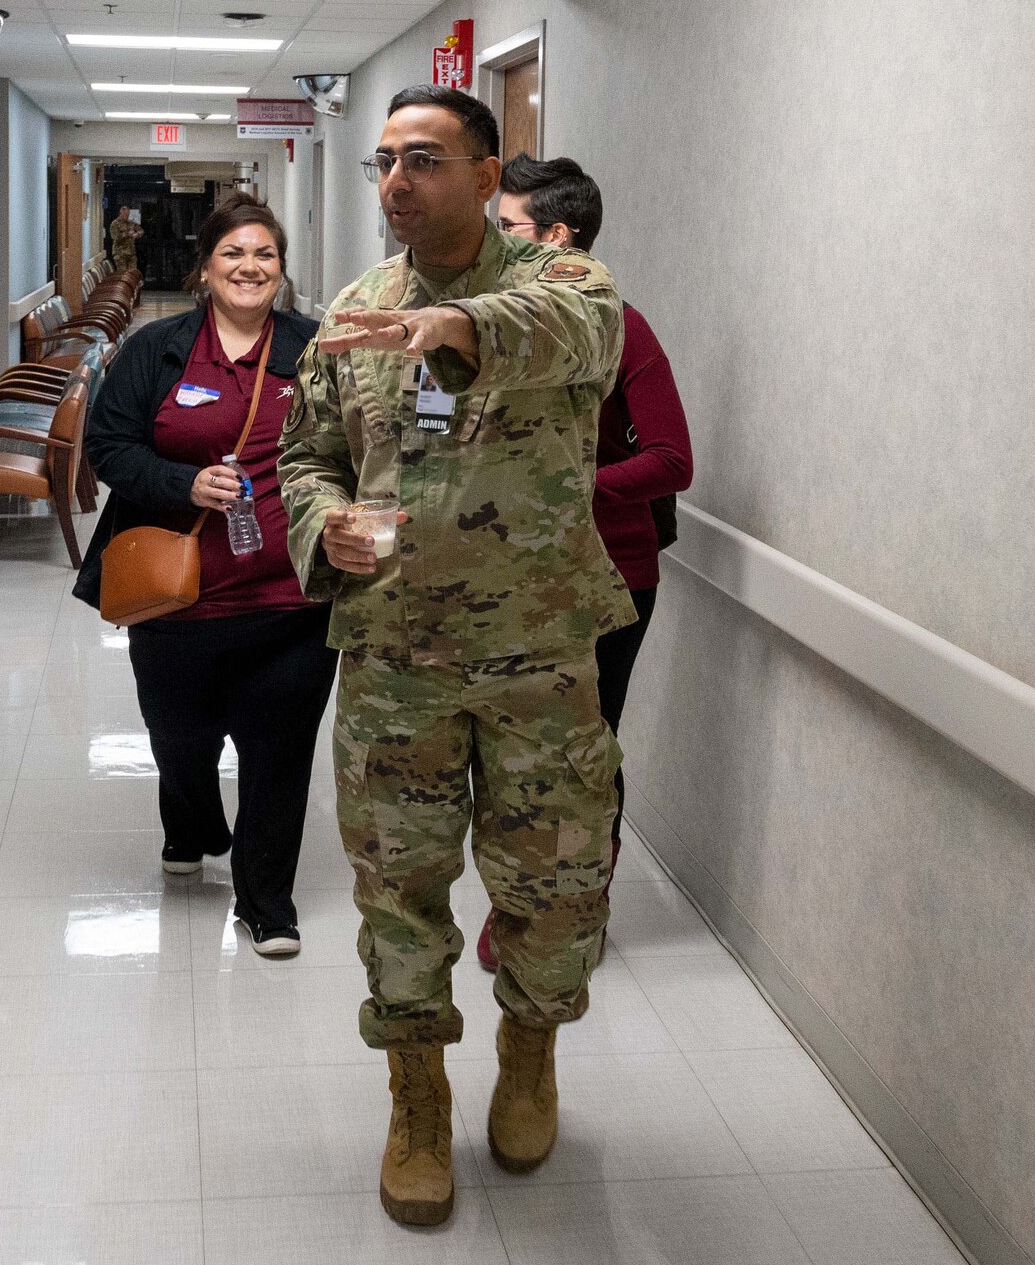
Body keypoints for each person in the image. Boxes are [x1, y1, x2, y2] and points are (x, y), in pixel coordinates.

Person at [277, 86, 633, 1226]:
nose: (395, 181)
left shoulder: (560, 286)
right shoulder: (351, 311)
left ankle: (528, 1054)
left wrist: (462, 328)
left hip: (537, 659)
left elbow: (580, 342)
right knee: (397, 892)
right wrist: (317, 522)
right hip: (392, 662)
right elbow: (305, 454)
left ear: (488, 177)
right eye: (383, 160)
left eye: (423, 159)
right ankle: (416, 1096)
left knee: (555, 886)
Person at [76, 193, 333, 957]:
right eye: (234, 254)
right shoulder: (158, 351)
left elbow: (357, 444)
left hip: (290, 597)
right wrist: (181, 484)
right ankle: (189, 822)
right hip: (177, 596)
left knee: (279, 754)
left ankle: (267, 903)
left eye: (265, 255)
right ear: (205, 268)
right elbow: (108, 446)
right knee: (179, 740)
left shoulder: (314, 351)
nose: (251, 268)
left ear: (281, 269)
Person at [475, 154, 694, 972]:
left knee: (584, 751)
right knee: (510, 751)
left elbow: (673, 461)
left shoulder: (622, 330)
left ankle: (581, 909)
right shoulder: (492, 321)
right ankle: (516, 901)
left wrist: (563, 488)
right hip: (503, 577)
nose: (493, 243)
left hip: (608, 578)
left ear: (557, 238)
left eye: (509, 229)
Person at [108, 204, 143, 273]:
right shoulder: (115, 224)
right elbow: (115, 237)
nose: (127, 216)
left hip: (131, 253)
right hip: (120, 254)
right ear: (121, 213)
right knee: (123, 275)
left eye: (128, 215)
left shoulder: (131, 223)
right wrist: (127, 234)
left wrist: (137, 234)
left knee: (132, 275)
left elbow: (141, 231)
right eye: (125, 214)